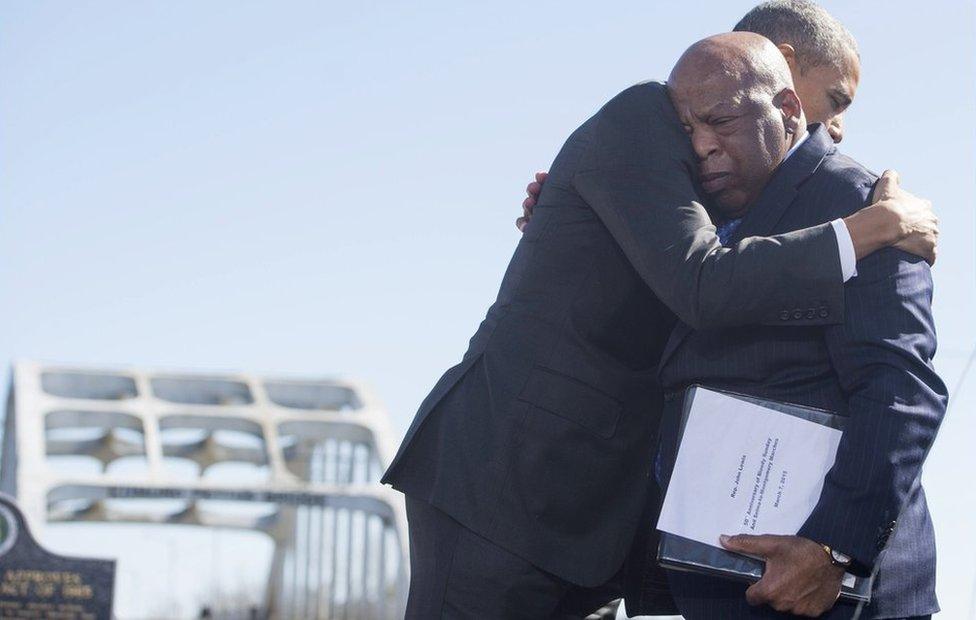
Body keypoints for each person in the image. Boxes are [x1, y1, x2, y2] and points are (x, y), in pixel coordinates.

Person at [382, 14, 938, 620]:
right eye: (833, 99)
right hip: (507, 486)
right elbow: (703, 282)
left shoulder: (824, 191)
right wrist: (860, 233)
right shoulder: (647, 125)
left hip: (603, 529)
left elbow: (898, 385)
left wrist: (837, 548)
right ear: (782, 69)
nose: (835, 125)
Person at [651, 32, 945, 619]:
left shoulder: (862, 204)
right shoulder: (691, 218)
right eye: (688, 130)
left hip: (838, 592)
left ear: (787, 109)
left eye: (722, 122)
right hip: (723, 588)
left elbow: (901, 390)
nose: (704, 145)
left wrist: (836, 550)